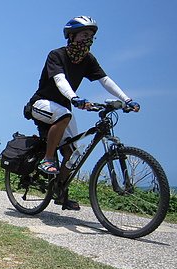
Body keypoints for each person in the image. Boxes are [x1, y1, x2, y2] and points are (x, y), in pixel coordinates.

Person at [27, 15, 140, 210]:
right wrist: (74, 98)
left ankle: (60, 191)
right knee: (65, 114)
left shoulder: (87, 60)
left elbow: (105, 80)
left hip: (63, 110)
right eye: (84, 34)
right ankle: (47, 159)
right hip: (42, 104)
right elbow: (60, 79)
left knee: (74, 153)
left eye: (91, 36)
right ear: (71, 36)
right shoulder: (56, 55)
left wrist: (126, 99)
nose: (88, 39)